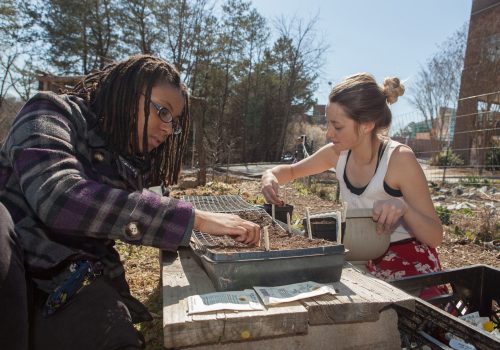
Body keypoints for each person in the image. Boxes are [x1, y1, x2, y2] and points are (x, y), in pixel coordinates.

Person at [0, 54, 260, 350]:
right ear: (125, 90)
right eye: (162, 111)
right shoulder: (49, 112)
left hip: (60, 288)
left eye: (173, 122)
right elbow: (59, 196)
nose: (167, 128)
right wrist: (195, 219)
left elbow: (128, 206)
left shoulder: (127, 164)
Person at [262, 73, 445, 299]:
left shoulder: (398, 160)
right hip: (357, 257)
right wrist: (269, 176)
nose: (329, 133)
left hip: (408, 265)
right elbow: (290, 171)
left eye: (337, 126)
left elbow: (435, 236)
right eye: (328, 123)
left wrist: (403, 207)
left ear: (367, 124)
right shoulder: (337, 154)